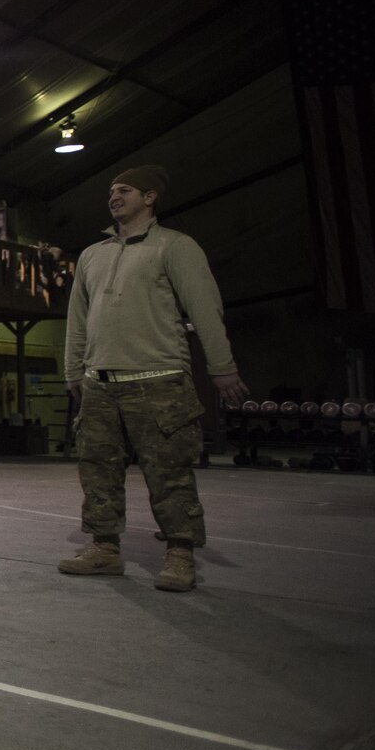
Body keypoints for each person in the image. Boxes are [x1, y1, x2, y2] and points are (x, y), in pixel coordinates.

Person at [58, 165, 247, 593]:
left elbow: (205, 309)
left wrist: (222, 367)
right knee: (97, 470)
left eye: (124, 190)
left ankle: (180, 554)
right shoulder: (92, 255)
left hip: (159, 379)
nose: (114, 196)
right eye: (111, 191)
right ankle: (104, 549)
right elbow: (78, 319)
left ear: (150, 198)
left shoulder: (176, 247)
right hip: (100, 382)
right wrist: (73, 368)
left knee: (170, 473)